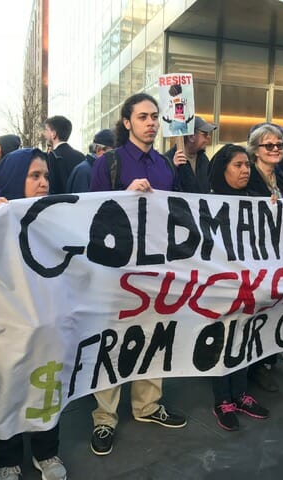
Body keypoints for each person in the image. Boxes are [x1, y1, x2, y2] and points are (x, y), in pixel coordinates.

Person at [89, 93, 186, 456]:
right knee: (112, 341)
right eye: (143, 116)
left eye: (155, 116)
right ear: (127, 122)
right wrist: (124, 195)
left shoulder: (164, 165)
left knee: (153, 335)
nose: (151, 122)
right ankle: (104, 417)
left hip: (156, 267)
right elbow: (91, 213)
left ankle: (147, 405)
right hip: (117, 270)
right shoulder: (109, 163)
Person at [0, 148, 67, 480]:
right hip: (6, 326)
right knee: (7, 390)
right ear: (16, 178)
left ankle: (47, 453)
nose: (43, 183)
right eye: (34, 176)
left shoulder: (57, 215)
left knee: (47, 387)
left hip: (47, 323)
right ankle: (7, 458)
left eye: (46, 176)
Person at [207, 143, 270, 430]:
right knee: (222, 341)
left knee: (244, 339)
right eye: (237, 165)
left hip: (250, 284)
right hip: (218, 286)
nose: (245, 170)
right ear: (223, 169)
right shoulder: (204, 202)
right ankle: (223, 400)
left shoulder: (259, 201)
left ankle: (241, 393)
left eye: (247, 165)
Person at [245, 123, 283, 391]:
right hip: (253, 257)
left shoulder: (282, 175)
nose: (275, 149)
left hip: (278, 256)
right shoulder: (247, 175)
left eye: (279, 145)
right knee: (252, 312)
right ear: (255, 150)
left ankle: (265, 363)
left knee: (273, 310)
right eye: (268, 145)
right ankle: (250, 368)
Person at [165, 116, 217, 193]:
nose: (208, 138)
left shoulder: (203, 159)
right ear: (191, 137)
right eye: (205, 134)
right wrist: (173, 168)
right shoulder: (168, 159)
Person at [43, 115, 85, 194]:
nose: (44, 133)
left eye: (46, 130)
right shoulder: (81, 156)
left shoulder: (50, 157)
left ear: (54, 134)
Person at [66, 128, 114, 193]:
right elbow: (82, 201)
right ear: (99, 150)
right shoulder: (84, 171)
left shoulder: (91, 169)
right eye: (114, 152)